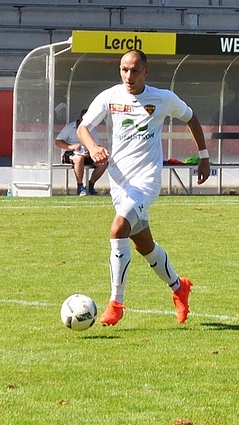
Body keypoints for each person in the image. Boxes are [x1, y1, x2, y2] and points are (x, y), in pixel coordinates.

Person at [77, 49, 210, 326]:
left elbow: (191, 117)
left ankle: (116, 302)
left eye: (135, 70)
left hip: (147, 181)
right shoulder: (111, 97)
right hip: (120, 183)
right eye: (124, 70)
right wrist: (93, 147)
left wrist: (204, 157)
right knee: (144, 245)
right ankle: (179, 287)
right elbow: (83, 127)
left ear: (145, 72)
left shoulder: (162, 98)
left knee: (118, 227)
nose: (128, 76)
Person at [54, 108, 108, 195]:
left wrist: (90, 152)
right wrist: (71, 147)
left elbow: (96, 145)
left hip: (87, 153)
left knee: (103, 162)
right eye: (83, 119)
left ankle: (90, 185)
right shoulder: (69, 127)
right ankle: (80, 186)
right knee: (79, 158)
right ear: (79, 118)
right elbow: (58, 141)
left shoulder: (92, 129)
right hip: (71, 153)